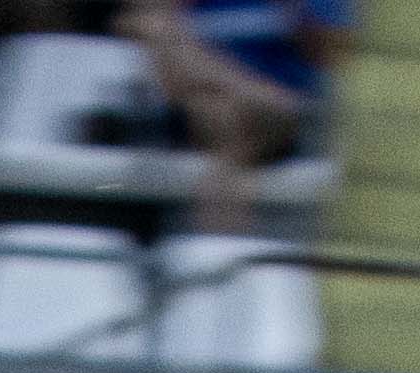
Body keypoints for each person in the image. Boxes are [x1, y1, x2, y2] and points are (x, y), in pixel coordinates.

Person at [128, 0, 342, 238]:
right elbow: (150, 34)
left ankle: (216, 242)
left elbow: (330, 48)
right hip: (207, 104)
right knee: (219, 109)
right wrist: (251, 92)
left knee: (230, 116)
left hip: (288, 113)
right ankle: (222, 240)